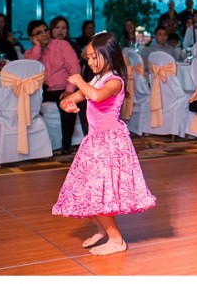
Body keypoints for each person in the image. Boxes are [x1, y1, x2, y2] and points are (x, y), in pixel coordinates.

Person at [53, 31, 156, 256]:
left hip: (109, 143)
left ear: (108, 55)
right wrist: (66, 104)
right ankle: (102, 229)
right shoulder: (97, 79)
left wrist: (79, 80)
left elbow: (97, 96)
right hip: (94, 142)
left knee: (100, 191)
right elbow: (74, 98)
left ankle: (117, 240)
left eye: (93, 57)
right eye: (87, 58)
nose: (89, 62)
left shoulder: (115, 81)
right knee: (87, 189)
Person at [23, 19, 84, 155]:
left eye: (46, 30)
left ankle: (66, 145)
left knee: (68, 103)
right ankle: (32, 147)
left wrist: (69, 91)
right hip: (43, 91)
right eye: (39, 33)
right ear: (31, 38)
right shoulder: (30, 54)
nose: (44, 34)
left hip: (64, 87)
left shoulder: (62, 45)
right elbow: (29, 70)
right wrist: (37, 48)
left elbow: (75, 68)